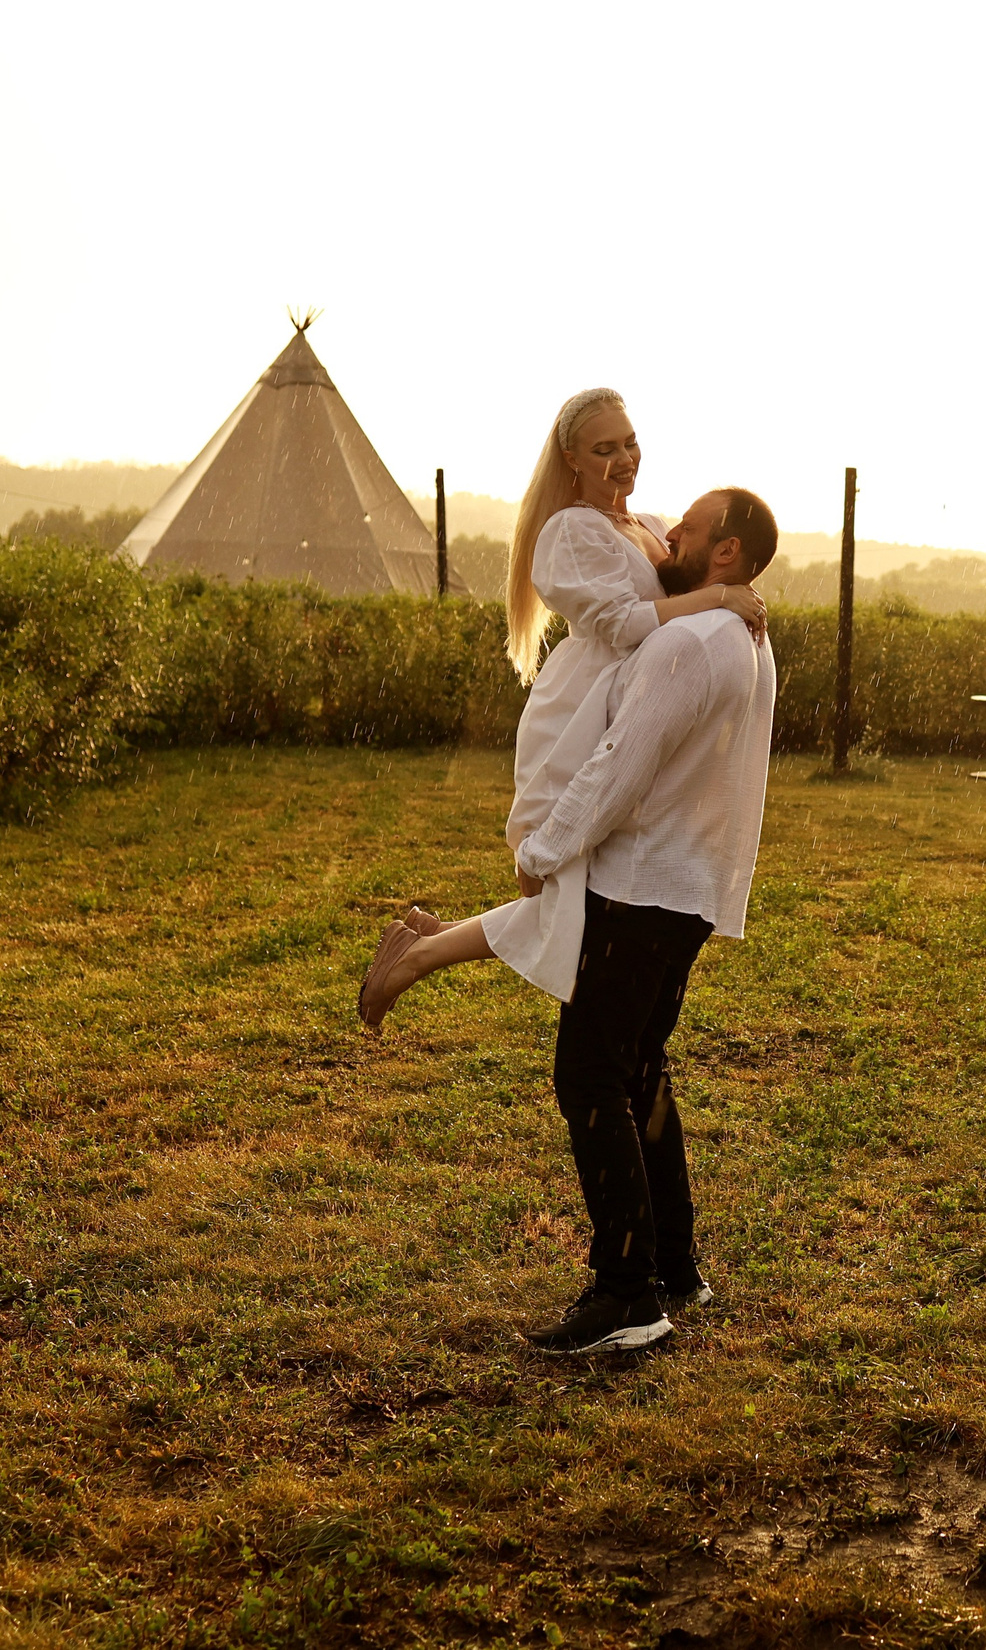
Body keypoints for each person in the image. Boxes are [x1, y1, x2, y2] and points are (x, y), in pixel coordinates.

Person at [388, 485, 781, 1354]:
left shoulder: (685, 644)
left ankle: (627, 1293)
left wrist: (545, 847)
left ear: (725, 553)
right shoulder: (745, 637)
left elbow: (619, 766)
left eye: (688, 529)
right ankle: (674, 1264)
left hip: (640, 889)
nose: (668, 534)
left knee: (590, 1075)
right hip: (688, 889)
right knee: (638, 1069)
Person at [358, 389, 763, 1026]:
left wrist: (724, 594)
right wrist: (720, 596)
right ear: (571, 459)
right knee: (568, 883)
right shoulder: (572, 531)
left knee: (581, 891)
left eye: (629, 442)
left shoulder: (649, 524)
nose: (624, 459)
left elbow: (684, 585)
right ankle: (419, 955)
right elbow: (622, 624)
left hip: (621, 705)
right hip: (578, 710)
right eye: (603, 449)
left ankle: (424, 947)